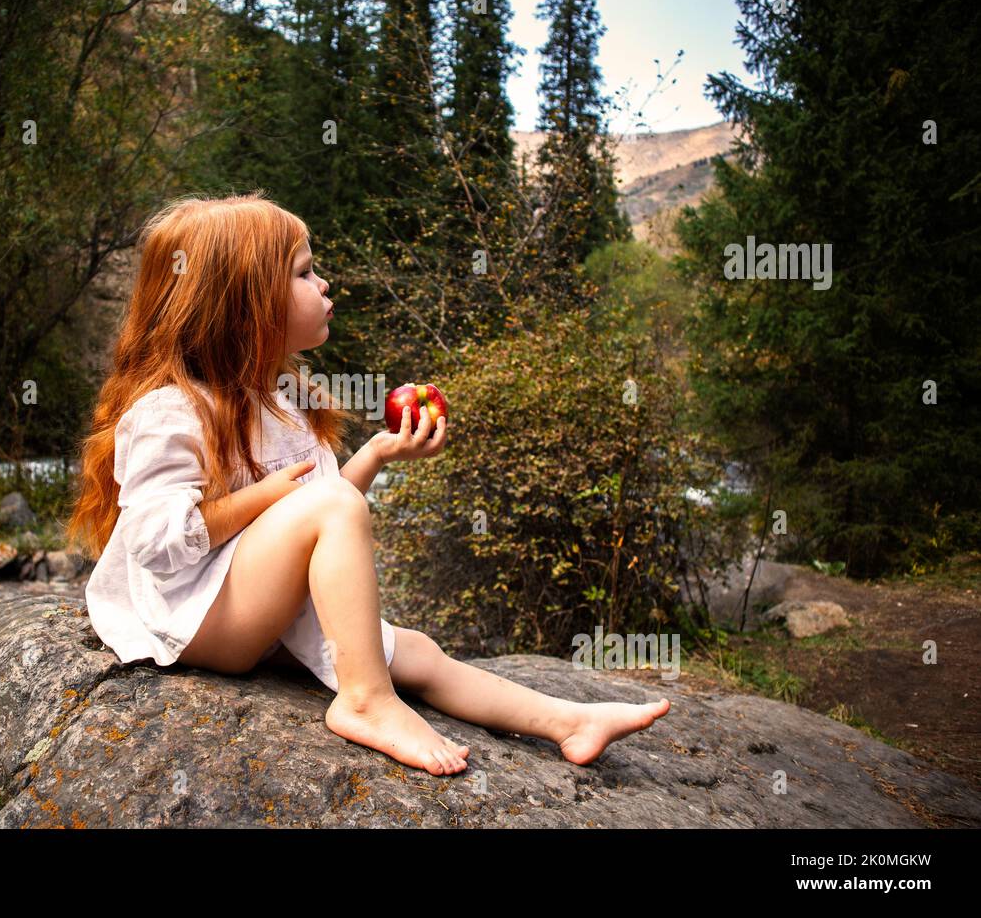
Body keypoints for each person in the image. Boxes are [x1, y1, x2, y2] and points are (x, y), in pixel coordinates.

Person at [67, 190, 670, 777]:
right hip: (194, 618)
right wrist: (272, 496)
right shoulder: (169, 412)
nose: (325, 285)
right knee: (334, 526)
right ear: (246, 307)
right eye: (305, 274)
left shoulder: (284, 403)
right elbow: (158, 544)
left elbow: (326, 519)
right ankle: (365, 701)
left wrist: (379, 452)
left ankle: (568, 721)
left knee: (422, 653)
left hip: (253, 604)